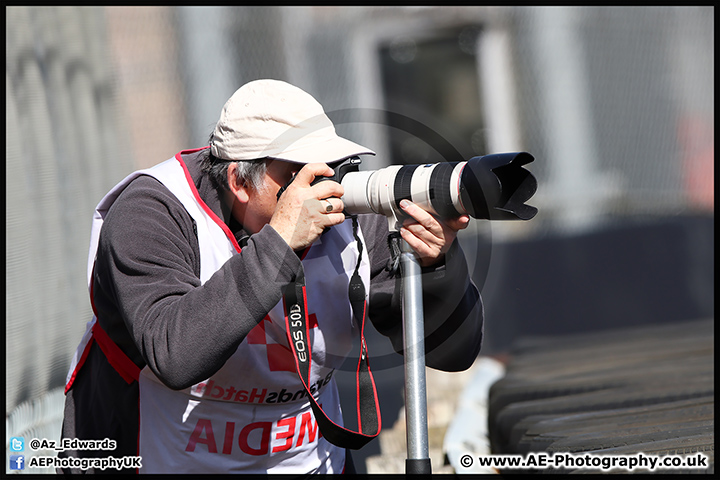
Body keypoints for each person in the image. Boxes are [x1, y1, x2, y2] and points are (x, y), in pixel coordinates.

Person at [59, 79, 484, 474]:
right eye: (298, 174)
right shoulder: (152, 212)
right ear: (239, 182)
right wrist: (281, 243)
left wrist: (436, 267)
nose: (323, 188)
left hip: (307, 463)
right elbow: (176, 354)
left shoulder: (345, 215)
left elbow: (452, 354)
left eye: (331, 167)